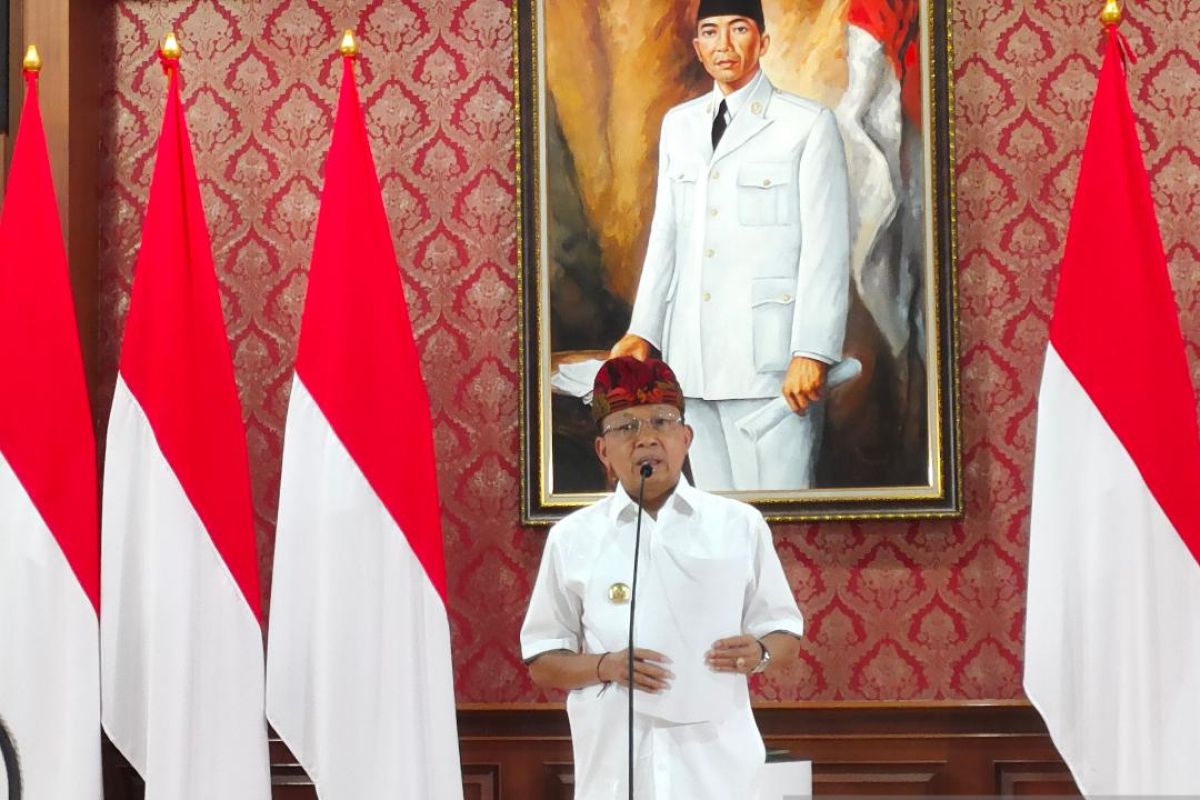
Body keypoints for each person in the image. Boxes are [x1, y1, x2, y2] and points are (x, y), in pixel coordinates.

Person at [521, 356, 805, 799]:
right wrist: (604, 666)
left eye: (662, 422)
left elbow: (784, 630)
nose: (646, 438)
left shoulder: (738, 525)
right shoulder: (573, 537)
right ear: (603, 451)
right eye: (626, 427)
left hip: (718, 771)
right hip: (615, 771)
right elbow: (541, 658)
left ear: (686, 438)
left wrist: (762, 652)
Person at [610, 0, 851, 491]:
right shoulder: (680, 124)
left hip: (774, 366)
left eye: (738, 29)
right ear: (697, 48)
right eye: (711, 32)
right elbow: (667, 236)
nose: (724, 44)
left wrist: (813, 350)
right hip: (693, 361)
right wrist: (644, 332)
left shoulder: (805, 125)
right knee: (717, 525)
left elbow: (828, 247)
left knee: (779, 522)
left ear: (762, 42)